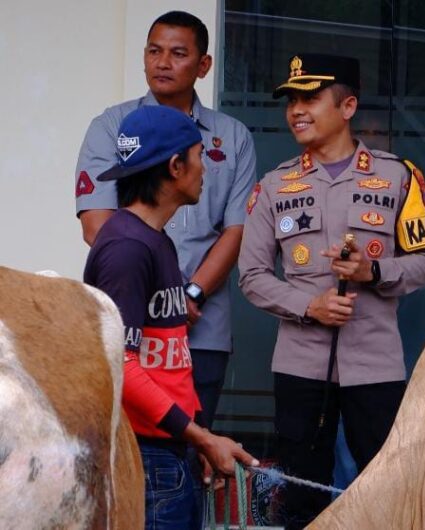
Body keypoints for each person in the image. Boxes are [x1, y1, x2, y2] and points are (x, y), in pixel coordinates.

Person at [238, 53, 425, 528]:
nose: (296, 111)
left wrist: (374, 272)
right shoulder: (273, 186)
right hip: (299, 368)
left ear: (347, 106)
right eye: (290, 101)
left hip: (376, 366)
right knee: (301, 496)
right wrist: (309, 305)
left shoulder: (399, 177)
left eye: (309, 98)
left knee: (386, 491)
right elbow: (251, 275)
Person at [75, 10, 257, 429]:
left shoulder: (231, 136)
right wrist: (166, 290)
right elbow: (97, 226)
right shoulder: (111, 127)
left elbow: (236, 229)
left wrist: (190, 294)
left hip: (204, 321)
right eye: (154, 51)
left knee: (195, 447)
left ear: (204, 65)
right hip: (131, 315)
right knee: (129, 445)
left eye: (178, 53)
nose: (162, 62)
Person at [83, 105, 258, 528]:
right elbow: (120, 365)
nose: (205, 170)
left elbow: (172, 355)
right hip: (146, 455)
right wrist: (200, 436)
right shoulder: (126, 249)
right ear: (176, 166)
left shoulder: (154, 240)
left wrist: (194, 435)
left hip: (170, 449)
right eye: (199, 157)